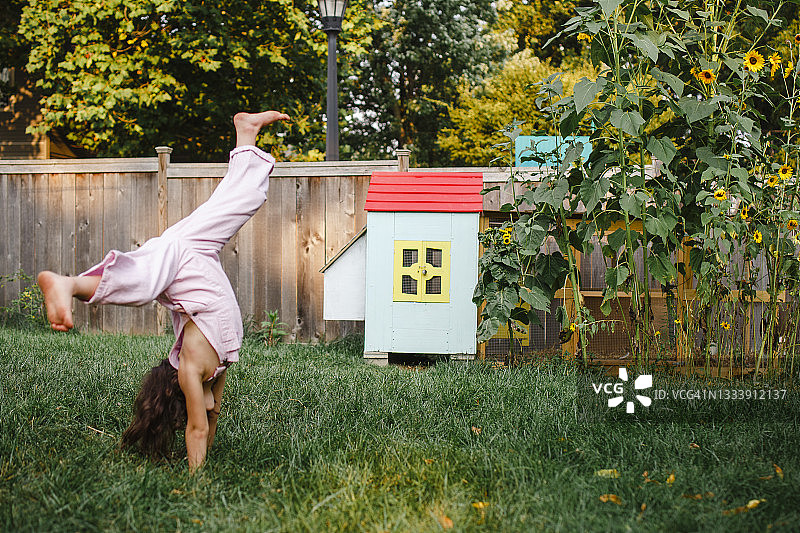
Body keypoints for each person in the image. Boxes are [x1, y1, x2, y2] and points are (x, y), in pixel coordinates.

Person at [37, 110, 290, 471]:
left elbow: (198, 429)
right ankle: (245, 134)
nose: (206, 406)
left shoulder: (191, 369)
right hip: (197, 255)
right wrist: (204, 448)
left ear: (179, 396)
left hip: (184, 261)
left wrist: (194, 480)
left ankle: (71, 284)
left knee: (143, 280)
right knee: (245, 199)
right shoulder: (215, 370)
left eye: (191, 406)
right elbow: (212, 415)